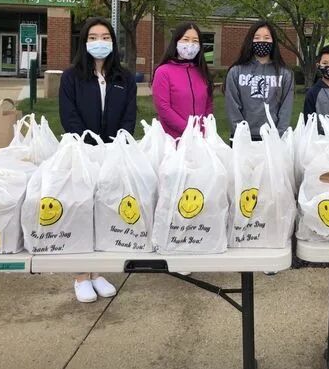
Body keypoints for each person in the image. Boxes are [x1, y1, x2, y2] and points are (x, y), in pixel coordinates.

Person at [59, 17, 136, 302]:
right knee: (81, 210)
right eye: (93, 37)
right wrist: (91, 145)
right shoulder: (71, 77)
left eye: (105, 37)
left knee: (105, 210)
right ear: (84, 42)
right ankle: (81, 275)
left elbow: (129, 115)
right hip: (83, 152)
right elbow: (69, 115)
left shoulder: (124, 77)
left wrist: (116, 146)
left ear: (113, 42)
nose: (99, 42)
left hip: (114, 154)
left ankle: (97, 271)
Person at [224, 20, 294, 140]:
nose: (262, 41)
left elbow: (286, 109)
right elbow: (232, 107)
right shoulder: (235, 72)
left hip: (272, 139)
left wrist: (278, 136)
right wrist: (242, 135)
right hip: (242, 139)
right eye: (257, 38)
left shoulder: (285, 74)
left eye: (267, 38)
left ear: (273, 42)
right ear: (250, 41)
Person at [152, 22, 213, 139]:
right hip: (173, 139)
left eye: (195, 41)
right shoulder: (163, 72)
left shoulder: (202, 72)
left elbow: (208, 105)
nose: (190, 44)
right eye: (185, 39)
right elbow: (163, 108)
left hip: (200, 138)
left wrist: (203, 129)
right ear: (176, 41)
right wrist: (188, 130)